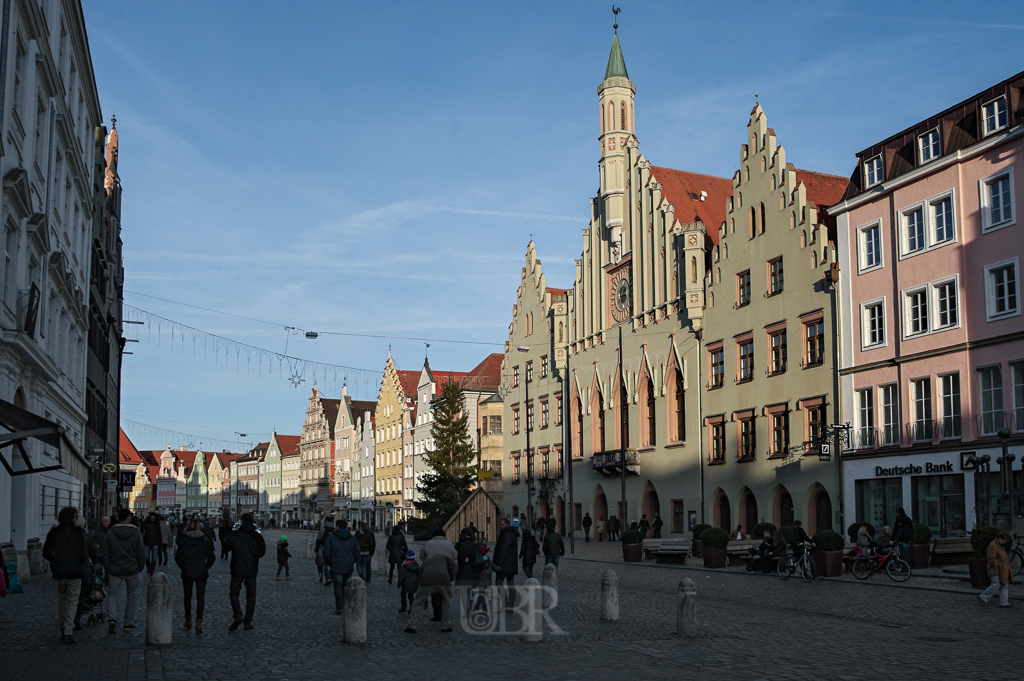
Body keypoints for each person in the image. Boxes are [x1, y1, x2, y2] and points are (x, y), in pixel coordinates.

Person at [42, 507, 89, 644]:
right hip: (75, 572)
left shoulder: (54, 532)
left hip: (60, 571)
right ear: (72, 518)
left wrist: (57, 560)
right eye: (75, 516)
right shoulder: (77, 533)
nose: (76, 519)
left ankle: (63, 626)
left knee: (62, 600)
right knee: (72, 602)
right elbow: (82, 554)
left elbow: (46, 553)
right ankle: (68, 631)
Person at [100, 508, 146, 634]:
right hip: (132, 568)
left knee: (112, 594)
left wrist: (107, 567)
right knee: (131, 595)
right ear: (128, 518)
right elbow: (141, 552)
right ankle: (128, 622)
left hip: (115, 568)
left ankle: (112, 620)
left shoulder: (110, 533)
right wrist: (140, 566)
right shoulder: (136, 533)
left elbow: (106, 553)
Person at [223, 513, 266, 631]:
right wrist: (253, 556)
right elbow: (262, 552)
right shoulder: (257, 536)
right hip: (252, 568)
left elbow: (226, 546)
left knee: (234, 593)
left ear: (242, 521)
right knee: (251, 595)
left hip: (237, 567)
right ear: (252, 521)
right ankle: (247, 621)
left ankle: (237, 615)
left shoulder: (236, 534)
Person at [404, 542, 457, 634]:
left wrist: (421, 584)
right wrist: (451, 578)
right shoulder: (446, 558)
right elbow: (454, 566)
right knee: (447, 602)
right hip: (443, 580)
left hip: (427, 581)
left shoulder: (427, 560)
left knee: (418, 603)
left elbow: (421, 572)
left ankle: (411, 626)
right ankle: (446, 626)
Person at [174, 519, 215, 633]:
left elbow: (178, 558)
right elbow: (211, 557)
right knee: (200, 598)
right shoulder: (205, 540)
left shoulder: (183, 540)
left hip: (187, 571)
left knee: (187, 597)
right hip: (201, 571)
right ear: (199, 527)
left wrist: (184, 566)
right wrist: (205, 567)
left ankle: (188, 620)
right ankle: (198, 623)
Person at [322, 519, 361, 615]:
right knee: (346, 587)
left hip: (336, 566)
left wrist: (330, 562)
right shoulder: (352, 538)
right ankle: (347, 605)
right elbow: (357, 552)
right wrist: (351, 561)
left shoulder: (331, 538)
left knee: (338, 587)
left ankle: (340, 607)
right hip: (348, 566)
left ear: (338, 527)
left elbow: (326, 553)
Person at [420, 528, 458, 621]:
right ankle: (445, 616)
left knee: (434, 594)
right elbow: (455, 556)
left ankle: (437, 614)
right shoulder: (449, 544)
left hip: (431, 572)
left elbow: (421, 556)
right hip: (445, 572)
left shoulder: (427, 543)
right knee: (446, 596)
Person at [979, 531, 1013, 608]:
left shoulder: (999, 545)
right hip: (996, 569)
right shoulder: (993, 545)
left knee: (1004, 584)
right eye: (1004, 541)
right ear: (1000, 539)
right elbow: (991, 558)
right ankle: (983, 597)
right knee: (996, 585)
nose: (1005, 543)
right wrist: (996, 566)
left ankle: (1004, 602)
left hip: (1002, 568)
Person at [492, 517, 519, 611]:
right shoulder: (510, 534)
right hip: (510, 564)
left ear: (507, 524)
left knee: (499, 583)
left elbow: (503, 550)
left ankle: (507, 605)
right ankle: (509, 605)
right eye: (500, 525)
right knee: (510, 584)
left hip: (504, 564)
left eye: (502, 524)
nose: (501, 526)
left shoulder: (507, 534)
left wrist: (497, 563)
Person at [315, 517, 335, 585]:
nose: (323, 522)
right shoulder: (334, 529)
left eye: (324, 520)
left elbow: (318, 540)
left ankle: (327, 578)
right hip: (333, 549)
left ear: (326, 521)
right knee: (332, 564)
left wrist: (317, 549)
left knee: (325, 565)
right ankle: (331, 577)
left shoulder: (322, 529)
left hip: (324, 548)